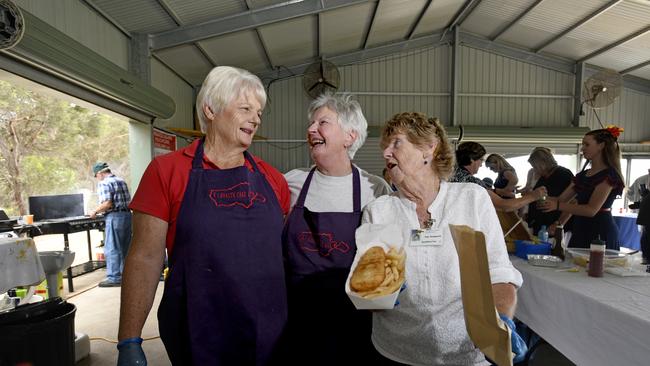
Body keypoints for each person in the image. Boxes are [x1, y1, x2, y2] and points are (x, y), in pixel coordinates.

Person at [117, 66, 291, 365]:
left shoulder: (273, 180)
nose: (256, 118)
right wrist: (129, 338)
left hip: (268, 331)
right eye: (246, 108)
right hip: (198, 329)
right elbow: (145, 258)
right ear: (210, 109)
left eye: (259, 111)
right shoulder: (167, 171)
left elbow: (284, 257)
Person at [364, 112, 526, 365]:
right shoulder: (379, 210)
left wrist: (500, 322)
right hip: (397, 352)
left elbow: (498, 274)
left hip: (465, 352)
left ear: (429, 148)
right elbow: (372, 296)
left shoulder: (471, 199)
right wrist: (375, 294)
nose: (386, 153)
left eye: (396, 143)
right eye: (384, 147)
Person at [282, 94, 392, 364]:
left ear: (350, 136)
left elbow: (386, 260)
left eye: (323, 122)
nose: (310, 129)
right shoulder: (291, 183)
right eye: (311, 123)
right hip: (297, 320)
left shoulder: (375, 189)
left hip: (353, 324)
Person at [539, 126, 625, 250]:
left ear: (601, 146)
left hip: (600, 230)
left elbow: (591, 210)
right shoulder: (582, 175)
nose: (582, 148)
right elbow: (561, 199)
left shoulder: (608, 176)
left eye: (587, 144)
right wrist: (537, 196)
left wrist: (557, 205)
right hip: (580, 228)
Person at [450, 141, 546, 212]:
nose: (481, 164)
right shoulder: (473, 182)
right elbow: (503, 206)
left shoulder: (452, 174)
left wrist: (498, 191)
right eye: (480, 160)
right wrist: (533, 196)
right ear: (471, 160)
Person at [89, 162, 132, 288]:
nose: (97, 178)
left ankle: (114, 277)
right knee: (125, 248)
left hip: (115, 217)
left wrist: (95, 211)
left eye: (96, 176)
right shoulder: (121, 180)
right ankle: (126, 275)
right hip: (127, 216)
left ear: (100, 173)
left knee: (112, 247)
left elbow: (108, 203)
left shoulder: (104, 183)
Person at [525, 147, 574, 236]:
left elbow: (571, 201)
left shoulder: (563, 174)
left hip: (554, 226)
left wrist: (559, 223)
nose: (534, 170)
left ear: (543, 163)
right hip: (541, 225)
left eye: (535, 167)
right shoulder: (543, 176)